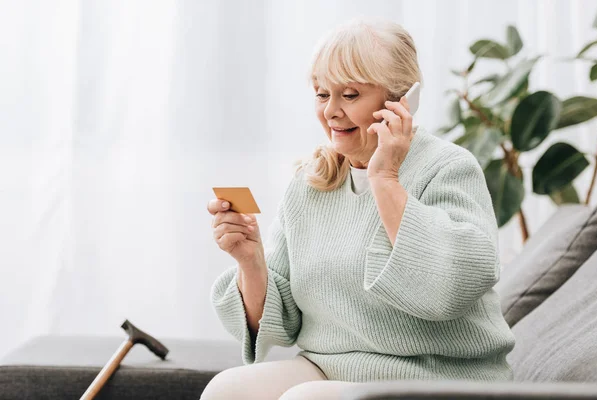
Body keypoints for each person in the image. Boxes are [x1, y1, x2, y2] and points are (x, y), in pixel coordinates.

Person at [201, 17, 516, 400]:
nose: (331, 111)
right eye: (321, 94)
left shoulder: (449, 167)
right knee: (227, 390)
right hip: (329, 366)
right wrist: (250, 260)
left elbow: (450, 287)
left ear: (401, 100)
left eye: (349, 95)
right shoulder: (310, 183)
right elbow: (282, 324)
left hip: (437, 373)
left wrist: (385, 179)